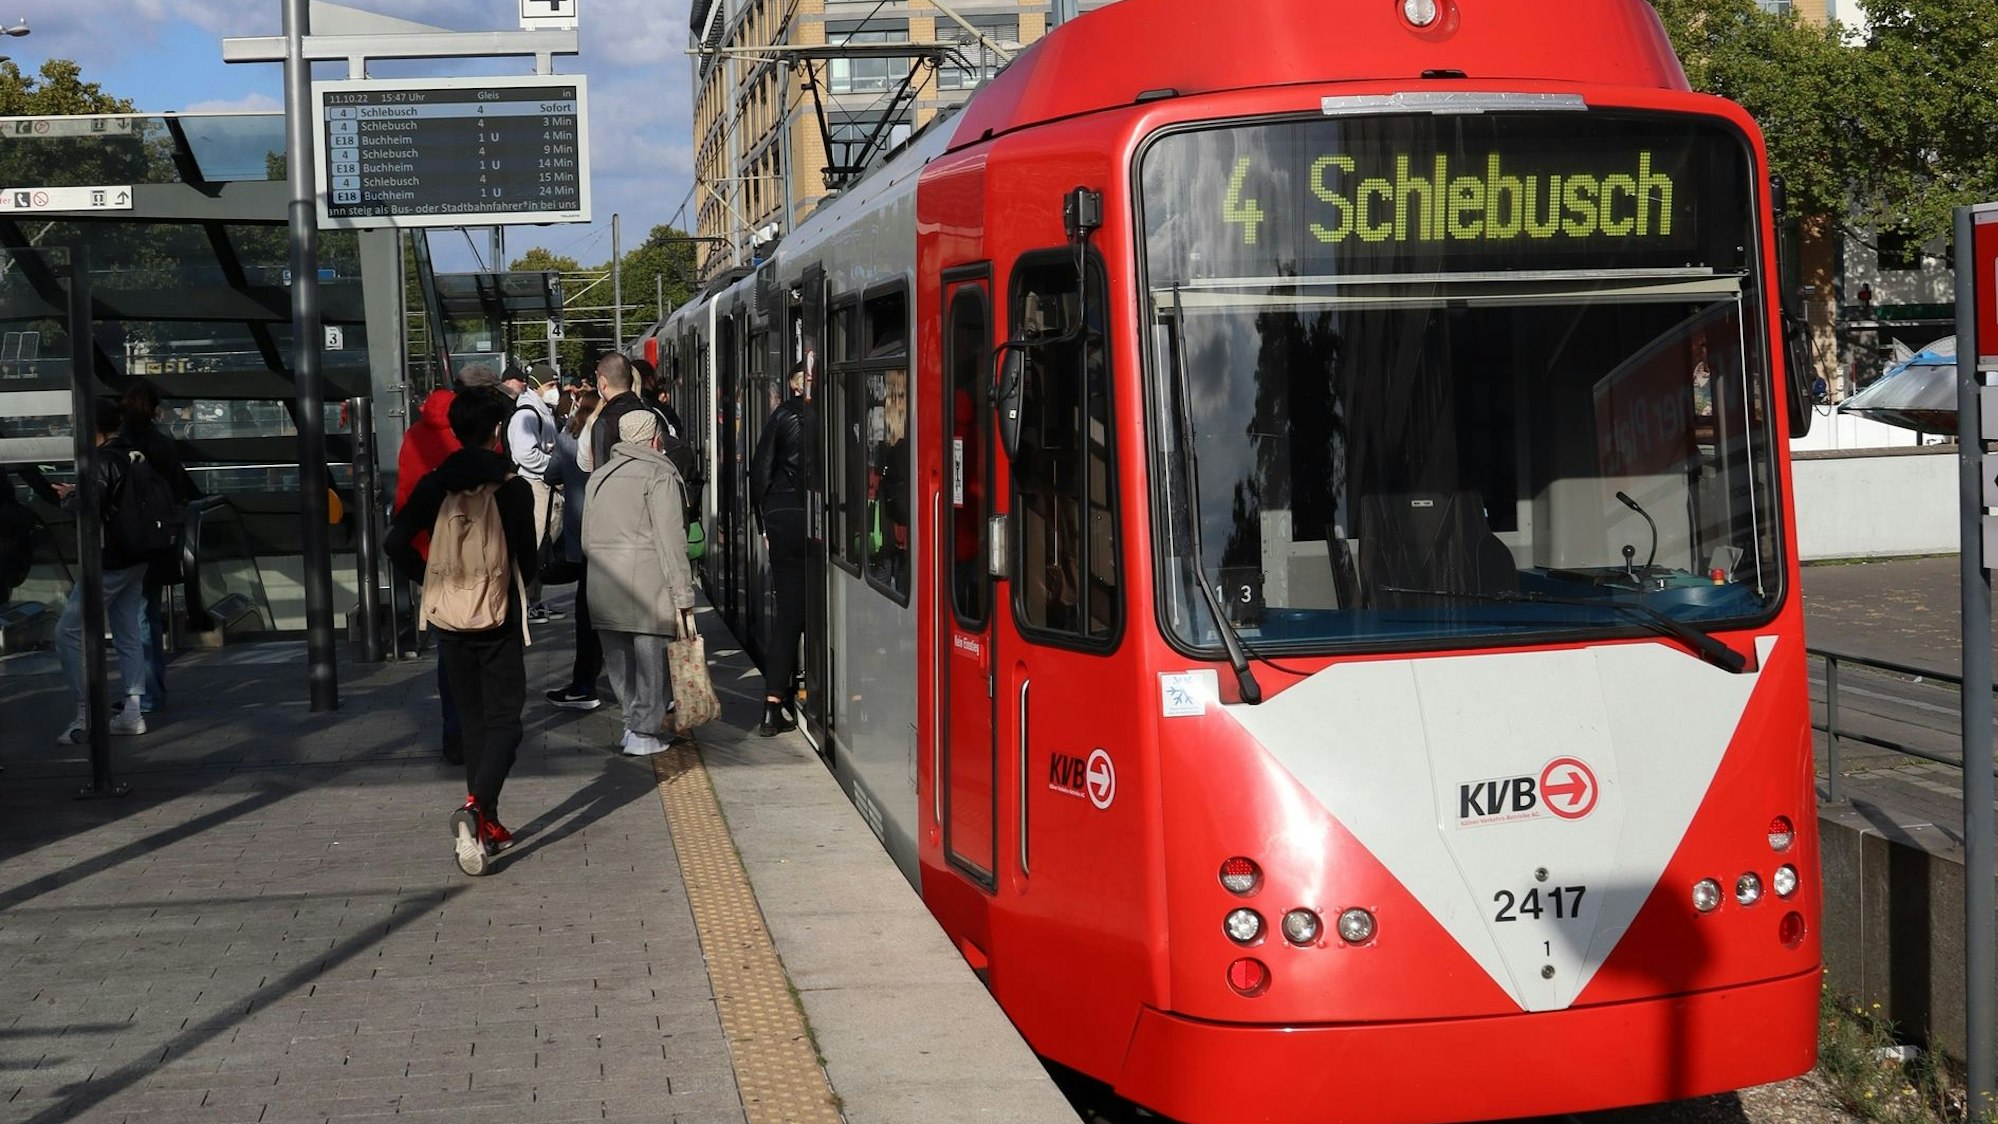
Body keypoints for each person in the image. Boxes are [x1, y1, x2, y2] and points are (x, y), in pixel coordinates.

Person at [384, 384, 538, 877]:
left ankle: (485, 823)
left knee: (473, 722)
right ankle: (476, 812)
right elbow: (530, 562)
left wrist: (432, 579)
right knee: (507, 721)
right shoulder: (512, 489)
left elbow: (394, 543)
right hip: (498, 617)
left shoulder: (435, 485)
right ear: (497, 434)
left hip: (449, 619)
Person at [394, 363, 499, 765]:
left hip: (431, 557)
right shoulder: (480, 434)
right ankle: (486, 730)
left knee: (448, 651)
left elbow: (405, 499)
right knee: (489, 643)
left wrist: (423, 568)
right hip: (481, 560)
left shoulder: (415, 434)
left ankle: (455, 732)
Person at [583, 409, 697, 756]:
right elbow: (671, 540)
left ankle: (633, 727)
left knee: (620, 666)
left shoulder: (598, 477)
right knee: (652, 666)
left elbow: (586, 539)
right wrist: (683, 593)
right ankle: (644, 733)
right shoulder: (660, 475)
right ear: (654, 438)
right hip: (649, 589)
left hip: (603, 585)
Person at [52, 398, 154, 743]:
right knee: (127, 633)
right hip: (138, 555)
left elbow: (91, 506)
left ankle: (86, 713)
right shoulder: (133, 454)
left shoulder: (101, 460)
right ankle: (133, 711)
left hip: (109, 558)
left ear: (91, 427)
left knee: (67, 631)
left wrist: (69, 497)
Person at [118, 379, 200, 715]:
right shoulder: (163, 445)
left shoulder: (119, 445)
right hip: (157, 540)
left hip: (124, 540)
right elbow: (180, 488)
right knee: (146, 616)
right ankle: (149, 692)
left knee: (132, 619)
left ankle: (142, 694)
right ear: (155, 410)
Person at [748, 363, 816, 736]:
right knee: (820, 608)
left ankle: (772, 707)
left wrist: (765, 523)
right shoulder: (835, 407)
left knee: (789, 615)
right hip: (820, 518)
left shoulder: (783, 415)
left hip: (783, 516)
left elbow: (759, 471)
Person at [545, 388, 605, 710]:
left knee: (585, 611)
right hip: (612, 537)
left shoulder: (567, 438)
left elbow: (549, 474)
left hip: (580, 538)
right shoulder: (609, 435)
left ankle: (584, 682)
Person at [501, 362, 564, 625]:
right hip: (537, 485)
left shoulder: (539, 410)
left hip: (545, 486)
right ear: (537, 385)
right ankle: (526, 602)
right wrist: (551, 464)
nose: (554, 391)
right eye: (550, 385)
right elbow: (524, 453)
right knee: (534, 546)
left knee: (541, 546)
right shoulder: (527, 414)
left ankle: (534, 602)